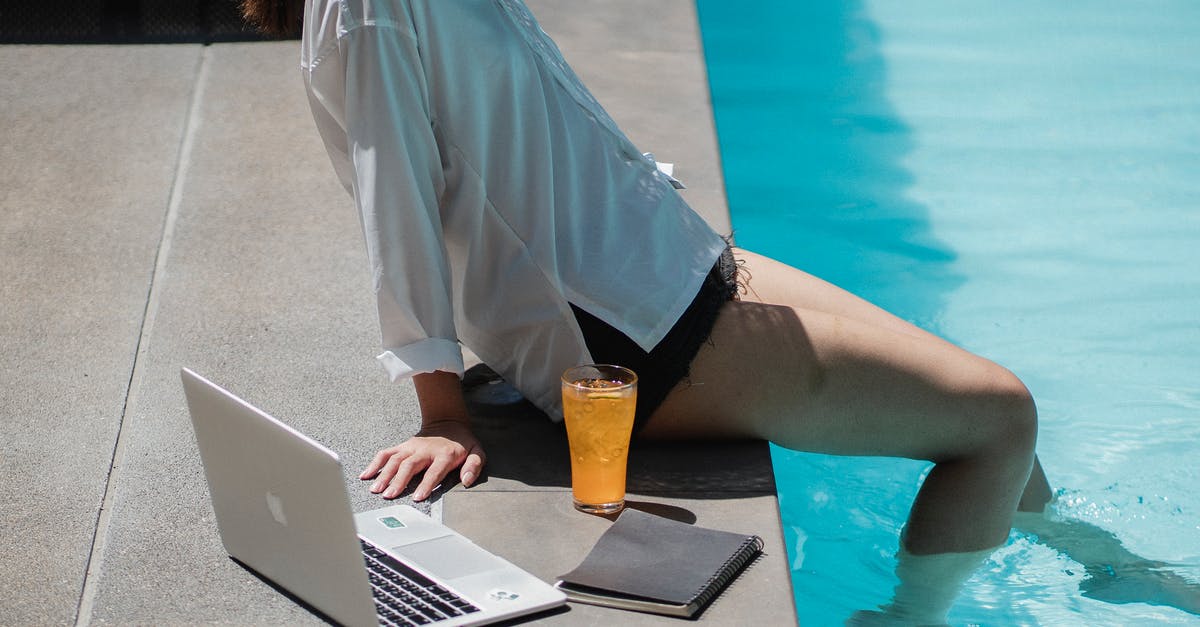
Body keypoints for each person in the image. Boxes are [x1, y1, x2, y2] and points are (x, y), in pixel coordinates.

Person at [243, 0, 1064, 621]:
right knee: (1001, 418)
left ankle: (1089, 558)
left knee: (977, 390)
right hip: (631, 330)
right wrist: (441, 407)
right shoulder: (368, 8)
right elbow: (397, 204)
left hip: (667, 263)